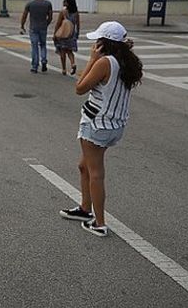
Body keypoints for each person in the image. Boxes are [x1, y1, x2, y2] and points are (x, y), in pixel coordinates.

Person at [59, 21, 142, 237]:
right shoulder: (127, 61)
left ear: (105, 43)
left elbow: (79, 88)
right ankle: (85, 209)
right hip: (114, 124)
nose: (95, 43)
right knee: (83, 166)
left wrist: (92, 59)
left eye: (98, 40)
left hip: (97, 123)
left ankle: (99, 222)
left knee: (95, 173)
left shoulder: (104, 63)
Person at [19, 0, 53, 73]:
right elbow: (50, 16)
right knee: (43, 45)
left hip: (33, 27)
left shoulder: (30, 4)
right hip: (43, 27)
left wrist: (22, 25)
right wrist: (46, 24)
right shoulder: (47, 3)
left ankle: (35, 66)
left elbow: (24, 15)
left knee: (34, 47)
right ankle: (44, 60)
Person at [53, 0, 81, 76]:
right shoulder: (76, 13)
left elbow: (58, 24)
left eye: (65, 1)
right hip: (72, 34)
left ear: (68, 3)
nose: (63, 2)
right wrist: (77, 34)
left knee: (62, 51)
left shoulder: (63, 12)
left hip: (63, 34)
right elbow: (78, 24)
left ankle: (64, 69)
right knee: (70, 51)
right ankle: (73, 64)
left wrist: (55, 34)